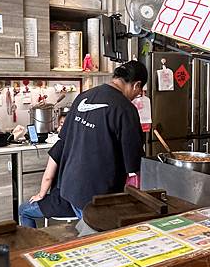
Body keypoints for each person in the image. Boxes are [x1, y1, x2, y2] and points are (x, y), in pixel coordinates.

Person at [57, 60, 147, 223]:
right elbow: (134, 161)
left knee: (86, 231)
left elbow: (64, 139)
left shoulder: (84, 96)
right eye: (139, 92)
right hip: (98, 195)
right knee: (96, 234)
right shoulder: (125, 109)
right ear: (137, 85)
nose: (136, 97)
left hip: (70, 185)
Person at [18, 113, 74, 228]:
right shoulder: (82, 146)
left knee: (23, 210)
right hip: (79, 203)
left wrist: (40, 195)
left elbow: (48, 176)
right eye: (60, 124)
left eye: (62, 125)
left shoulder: (60, 145)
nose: (59, 128)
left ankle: (31, 239)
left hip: (61, 203)